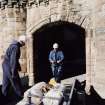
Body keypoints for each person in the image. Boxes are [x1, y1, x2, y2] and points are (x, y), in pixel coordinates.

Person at [2, 35, 26, 99]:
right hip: (9, 65)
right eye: (24, 43)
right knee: (16, 80)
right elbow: (13, 60)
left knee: (6, 82)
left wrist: (19, 67)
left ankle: (4, 97)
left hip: (5, 64)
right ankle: (21, 96)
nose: (24, 44)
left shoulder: (13, 45)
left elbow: (14, 59)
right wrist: (13, 72)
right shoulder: (16, 47)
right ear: (22, 41)